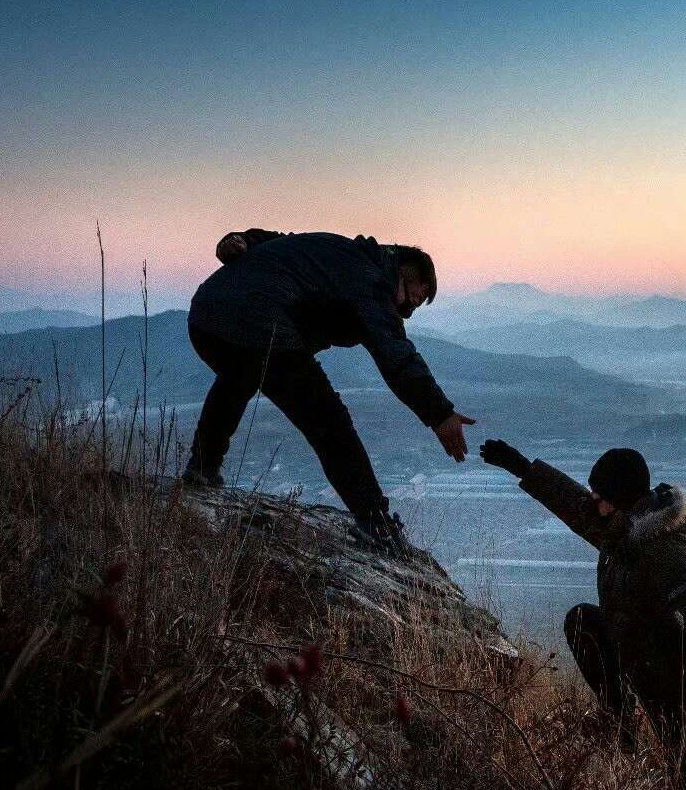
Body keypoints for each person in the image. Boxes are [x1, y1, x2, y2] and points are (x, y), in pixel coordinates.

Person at [478, 439, 686, 790]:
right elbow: (575, 505)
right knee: (583, 621)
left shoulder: (663, 552)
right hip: (642, 656)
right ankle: (623, 730)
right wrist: (520, 467)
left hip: (677, 685)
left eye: (599, 496)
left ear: (620, 501)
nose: (592, 501)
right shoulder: (624, 529)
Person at [184, 228, 476, 552]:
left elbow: (279, 242)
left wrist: (244, 240)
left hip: (206, 318)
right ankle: (375, 524)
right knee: (328, 420)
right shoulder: (372, 280)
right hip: (260, 321)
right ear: (404, 272)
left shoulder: (338, 251)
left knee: (238, 377)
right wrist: (440, 414)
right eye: (412, 300)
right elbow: (395, 353)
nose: (406, 311)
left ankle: (202, 468)